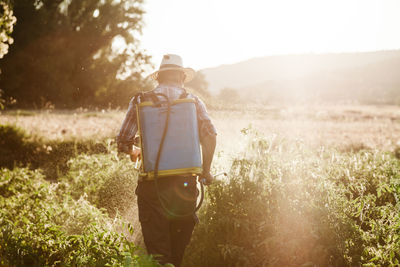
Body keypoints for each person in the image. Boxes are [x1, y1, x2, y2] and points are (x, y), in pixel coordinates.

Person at [116, 54, 217, 266]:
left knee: (160, 257)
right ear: (182, 77)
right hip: (185, 186)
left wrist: (136, 151)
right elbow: (210, 135)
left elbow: (123, 142)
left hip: (151, 188)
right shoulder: (193, 101)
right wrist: (206, 171)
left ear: (158, 78)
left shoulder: (140, 100)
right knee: (176, 255)